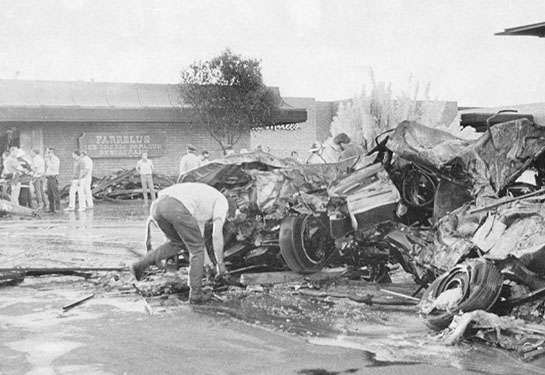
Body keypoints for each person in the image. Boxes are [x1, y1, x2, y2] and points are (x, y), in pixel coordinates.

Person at [130, 182, 235, 304]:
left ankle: (140, 264)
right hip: (175, 207)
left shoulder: (205, 205)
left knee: (177, 243)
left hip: (157, 207)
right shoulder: (223, 202)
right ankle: (196, 294)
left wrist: (208, 264)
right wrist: (221, 265)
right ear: (228, 212)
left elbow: (198, 239)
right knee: (196, 249)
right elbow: (216, 235)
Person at [45, 147, 61, 213]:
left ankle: (57, 208)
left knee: (55, 193)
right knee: (50, 194)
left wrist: (48, 161)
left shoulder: (55, 159)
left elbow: (53, 168)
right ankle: (51, 208)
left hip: (53, 178)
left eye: (49, 153)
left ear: (52, 153)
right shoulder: (49, 159)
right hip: (49, 178)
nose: (47, 154)